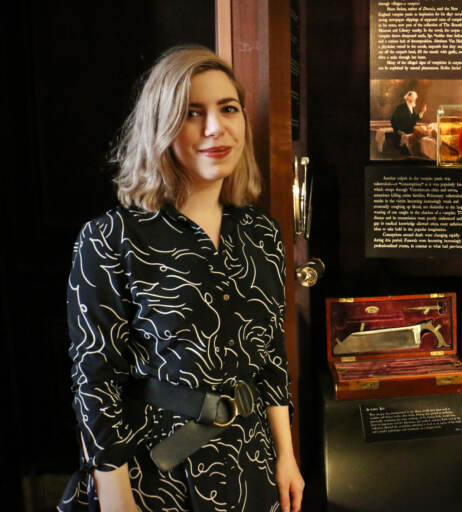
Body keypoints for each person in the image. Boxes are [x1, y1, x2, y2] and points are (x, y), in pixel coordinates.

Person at [58, 45, 304, 512]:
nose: (216, 128)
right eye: (193, 113)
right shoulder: (111, 237)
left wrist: (286, 457)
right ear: (162, 127)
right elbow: (95, 377)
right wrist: (116, 497)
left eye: (227, 109)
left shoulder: (261, 234)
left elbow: (270, 360)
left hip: (253, 465)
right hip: (155, 474)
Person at [390, 91, 429, 155]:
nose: (415, 99)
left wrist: (422, 111)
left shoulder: (412, 108)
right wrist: (397, 130)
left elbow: (415, 119)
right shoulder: (401, 107)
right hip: (402, 133)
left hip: (410, 131)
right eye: (414, 98)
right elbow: (393, 120)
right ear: (409, 98)